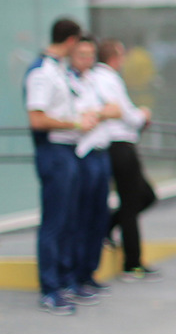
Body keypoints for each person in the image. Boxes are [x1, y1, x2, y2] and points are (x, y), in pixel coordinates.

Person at [25, 18, 100, 315]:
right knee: (55, 222)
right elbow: (37, 118)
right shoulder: (42, 73)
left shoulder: (57, 71)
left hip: (68, 150)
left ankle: (66, 280)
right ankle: (50, 287)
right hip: (54, 150)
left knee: (70, 220)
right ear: (70, 42)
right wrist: (75, 123)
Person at [91, 39, 161, 282]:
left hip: (118, 144)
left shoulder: (100, 78)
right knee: (133, 202)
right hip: (119, 145)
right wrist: (142, 115)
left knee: (143, 196)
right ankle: (133, 263)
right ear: (115, 57)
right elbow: (124, 113)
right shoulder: (107, 79)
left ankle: (107, 226)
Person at [66, 36, 121, 299]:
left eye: (90, 55)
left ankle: (89, 273)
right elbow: (78, 117)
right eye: (81, 55)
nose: (87, 60)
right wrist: (100, 112)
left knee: (100, 216)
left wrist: (97, 113)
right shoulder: (68, 81)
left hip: (101, 152)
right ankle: (75, 275)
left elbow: (115, 110)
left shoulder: (94, 80)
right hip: (83, 154)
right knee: (81, 217)